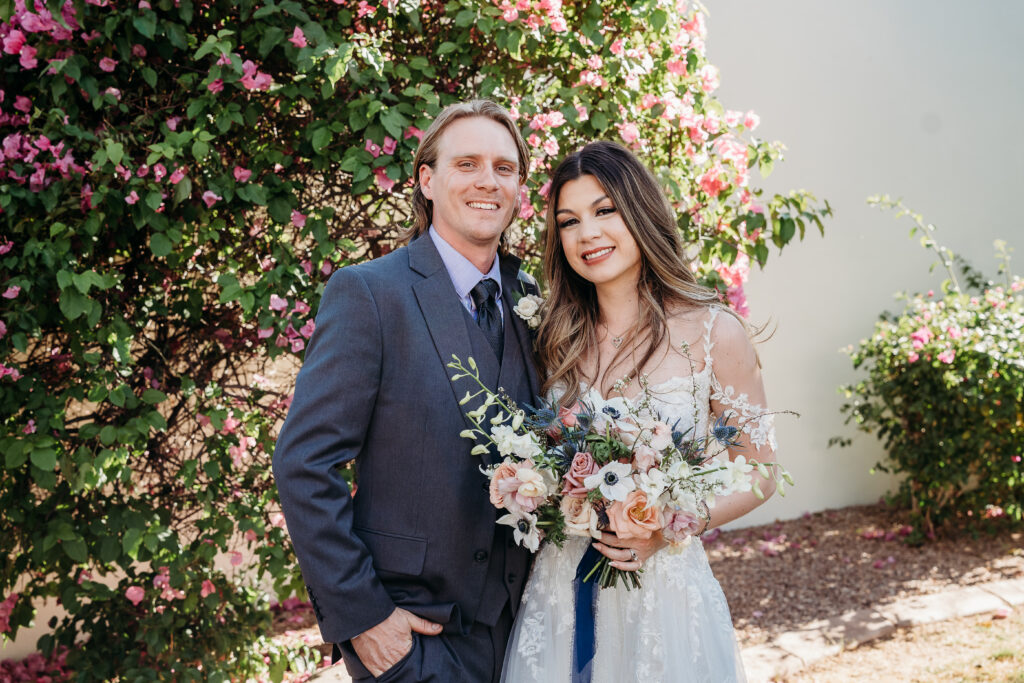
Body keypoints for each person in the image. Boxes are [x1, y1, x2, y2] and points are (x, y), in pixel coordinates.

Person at [273, 99, 542, 683]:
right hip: (413, 637)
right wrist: (364, 618)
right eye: (466, 163)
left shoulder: (538, 299)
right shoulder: (370, 294)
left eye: (504, 167)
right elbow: (304, 462)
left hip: (530, 628)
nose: (486, 181)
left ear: (519, 186)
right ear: (426, 180)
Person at [501, 141, 778, 682]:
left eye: (605, 210)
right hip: (561, 590)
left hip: (665, 597)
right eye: (569, 221)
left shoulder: (712, 332)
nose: (588, 234)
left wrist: (670, 525)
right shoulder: (552, 338)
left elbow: (761, 471)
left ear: (641, 212)